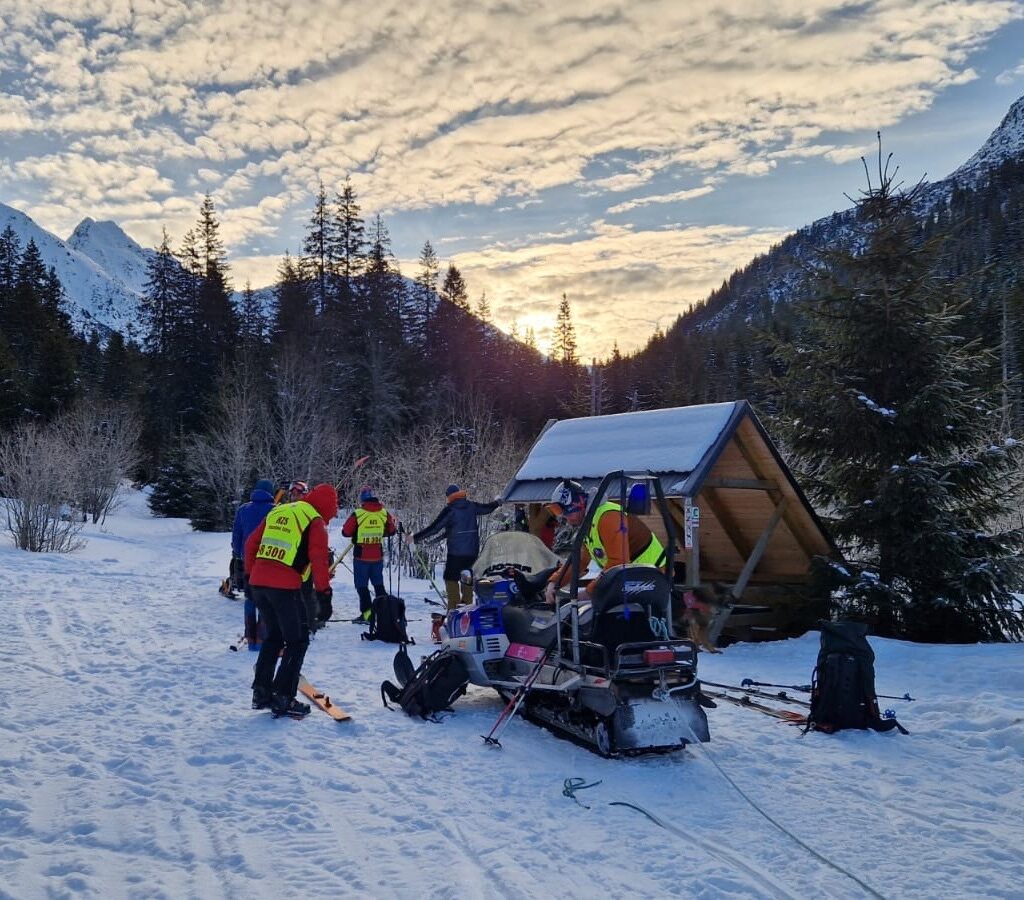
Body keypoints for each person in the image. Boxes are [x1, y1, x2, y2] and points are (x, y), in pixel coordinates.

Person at [244, 482, 338, 718]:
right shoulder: (314, 520)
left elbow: (251, 543)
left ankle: (261, 692)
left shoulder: (280, 510)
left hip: (259, 584)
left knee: (274, 637)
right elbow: (319, 560)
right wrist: (324, 595)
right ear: (327, 508)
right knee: (298, 641)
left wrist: (249, 575)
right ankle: (283, 696)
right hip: (284, 587)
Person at [543, 480, 664, 604]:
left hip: (652, 576)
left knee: (595, 609)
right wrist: (555, 582)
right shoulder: (589, 523)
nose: (564, 518)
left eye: (564, 511)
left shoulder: (608, 517)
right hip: (632, 577)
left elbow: (619, 562)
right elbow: (581, 560)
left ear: (578, 503)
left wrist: (590, 591)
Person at [406, 484, 500, 609]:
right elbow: (487, 509)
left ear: (449, 496)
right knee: (467, 578)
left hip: (456, 554)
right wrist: (497, 503)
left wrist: (415, 538)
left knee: (450, 578)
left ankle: (453, 610)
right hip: (472, 553)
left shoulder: (450, 510)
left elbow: (435, 528)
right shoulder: (471, 506)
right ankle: (467, 608)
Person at [341, 485, 398, 623]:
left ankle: (367, 615)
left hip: (361, 556)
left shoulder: (358, 513)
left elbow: (345, 532)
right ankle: (385, 613)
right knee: (379, 585)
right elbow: (392, 530)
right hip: (377, 556)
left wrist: (357, 532)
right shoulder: (384, 513)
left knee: (362, 587)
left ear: (362, 499)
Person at [231, 478, 276, 649]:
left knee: (250, 598)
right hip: (267, 560)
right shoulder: (275, 510)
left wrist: (238, 553)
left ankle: (250, 637)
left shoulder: (243, 509)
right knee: (265, 599)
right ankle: (262, 638)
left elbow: (237, 534)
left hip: (247, 561)